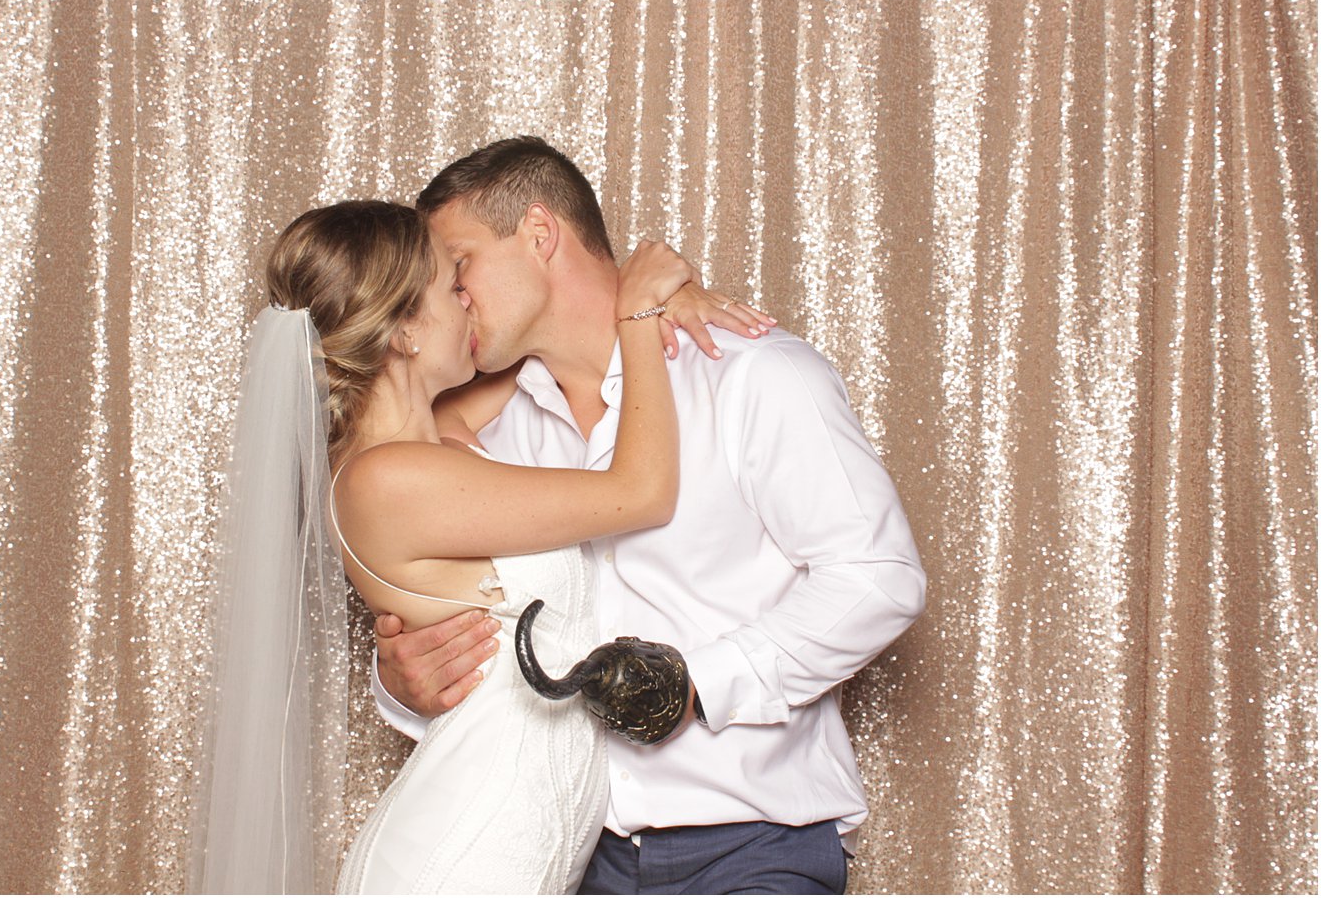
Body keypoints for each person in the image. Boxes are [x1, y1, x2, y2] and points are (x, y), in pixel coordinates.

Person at [374, 136, 928, 895]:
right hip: (571, 858)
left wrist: (697, 683)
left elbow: (879, 577)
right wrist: (401, 683)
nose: (449, 297)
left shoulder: (751, 377)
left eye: (458, 264)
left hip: (754, 847)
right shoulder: (480, 437)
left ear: (539, 234)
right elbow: (454, 614)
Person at [189, 199, 771, 895]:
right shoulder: (391, 478)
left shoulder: (429, 444)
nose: (471, 302)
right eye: (451, 285)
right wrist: (636, 315)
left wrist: (635, 295)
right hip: (464, 856)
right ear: (405, 329)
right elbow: (640, 490)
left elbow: (534, 339)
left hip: (515, 850)